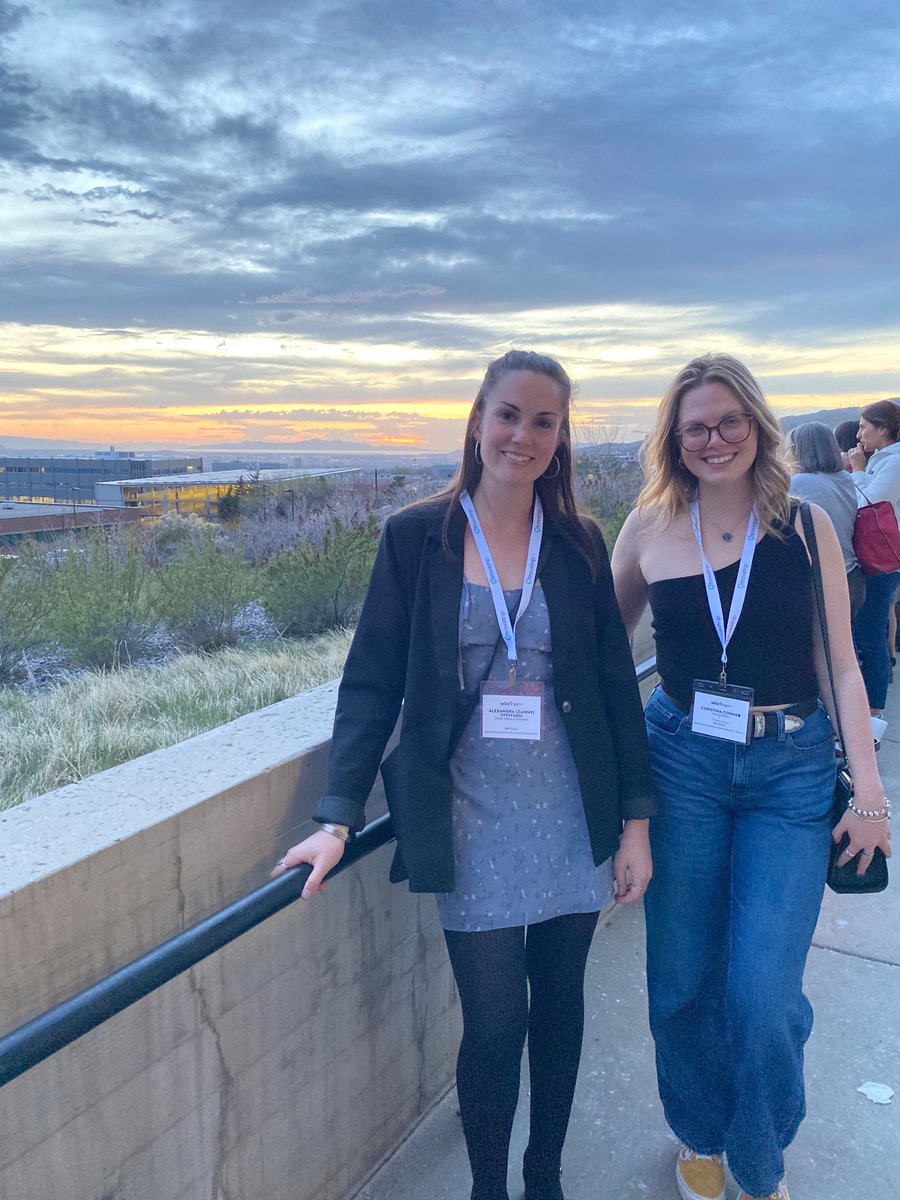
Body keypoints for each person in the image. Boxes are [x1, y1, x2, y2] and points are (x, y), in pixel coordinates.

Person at [273, 350, 655, 1200]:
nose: (524, 434)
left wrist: (635, 823)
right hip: (469, 816)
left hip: (569, 811)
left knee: (559, 1009)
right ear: (479, 420)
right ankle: (490, 1187)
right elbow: (371, 681)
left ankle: (543, 1176)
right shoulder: (418, 536)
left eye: (544, 421)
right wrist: (336, 815)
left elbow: (611, 689)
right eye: (509, 414)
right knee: (492, 1025)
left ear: (560, 440)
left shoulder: (580, 542)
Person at [611, 354, 890, 1200]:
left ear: (758, 426)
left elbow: (844, 667)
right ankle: (698, 1126)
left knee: (763, 992)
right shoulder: (649, 526)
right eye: (695, 425)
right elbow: (596, 653)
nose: (714, 438)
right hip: (683, 762)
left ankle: (759, 1157)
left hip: (791, 770)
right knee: (683, 976)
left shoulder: (805, 525)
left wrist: (874, 797)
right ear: (673, 438)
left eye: (730, 421)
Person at [847, 399, 900, 716]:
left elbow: (866, 502)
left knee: (870, 634)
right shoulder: (884, 459)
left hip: (881, 561)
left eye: (864, 427)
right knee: (868, 631)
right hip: (878, 559)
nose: (858, 435)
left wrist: (857, 470)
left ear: (883, 429)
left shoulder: (893, 462)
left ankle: (874, 710)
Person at [788, 422, 865, 618]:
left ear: (800, 451)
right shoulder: (844, 478)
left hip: (824, 580)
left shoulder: (800, 483)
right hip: (852, 574)